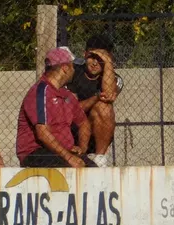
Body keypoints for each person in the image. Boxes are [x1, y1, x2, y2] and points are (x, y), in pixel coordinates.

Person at [16, 47, 96, 168]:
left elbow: (83, 123)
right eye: (72, 66)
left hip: (60, 152)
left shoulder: (66, 94)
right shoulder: (40, 91)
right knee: (67, 166)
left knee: (92, 168)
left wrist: (82, 149)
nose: (75, 70)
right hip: (35, 152)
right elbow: (42, 134)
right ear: (65, 68)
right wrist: (68, 156)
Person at [65, 34, 123, 167]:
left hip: (96, 132)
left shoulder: (116, 79)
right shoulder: (73, 72)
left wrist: (108, 63)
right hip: (71, 129)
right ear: (84, 54)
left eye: (101, 58)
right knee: (100, 104)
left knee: (104, 107)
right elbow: (72, 111)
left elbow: (107, 95)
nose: (96, 62)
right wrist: (96, 97)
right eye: (92, 57)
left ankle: (100, 159)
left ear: (109, 58)